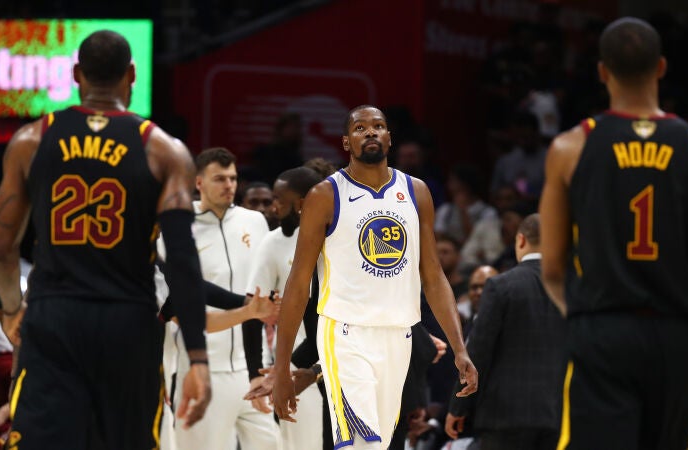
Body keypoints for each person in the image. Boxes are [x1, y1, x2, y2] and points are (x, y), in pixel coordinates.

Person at [539, 18, 688, 450]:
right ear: (661, 67)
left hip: (602, 329)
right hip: (678, 336)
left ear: (602, 71)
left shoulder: (571, 147)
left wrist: (587, 320)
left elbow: (551, 267)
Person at [0, 30, 210, 449]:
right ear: (132, 74)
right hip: (128, 323)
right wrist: (197, 356)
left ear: (76, 74)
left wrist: (14, 309)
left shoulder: (31, 140)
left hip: (54, 318)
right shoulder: (164, 150)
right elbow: (183, 259)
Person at [271, 105, 478, 449]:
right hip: (345, 335)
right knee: (361, 445)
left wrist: (460, 348)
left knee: (379, 445)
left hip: (399, 335)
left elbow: (433, 276)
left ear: (389, 138)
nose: (370, 131)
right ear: (346, 142)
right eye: (360, 128)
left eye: (378, 126)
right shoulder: (325, 196)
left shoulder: (416, 192)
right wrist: (281, 369)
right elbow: (298, 284)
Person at [168, 147, 279, 450]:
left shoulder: (255, 222)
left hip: (253, 368)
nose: (229, 185)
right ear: (198, 182)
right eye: (219, 179)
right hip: (204, 368)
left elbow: (265, 284)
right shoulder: (178, 226)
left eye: (232, 178)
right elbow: (176, 302)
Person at [447, 214, 566, 450]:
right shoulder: (572, 288)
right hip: (558, 413)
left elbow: (478, 350)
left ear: (520, 240)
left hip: (505, 414)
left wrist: (458, 406)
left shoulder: (501, 285)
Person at [247, 166, 325, 450]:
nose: (273, 206)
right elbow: (253, 311)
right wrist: (258, 373)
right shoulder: (274, 242)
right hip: (296, 361)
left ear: (301, 203)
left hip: (341, 356)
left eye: (279, 199)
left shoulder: (339, 238)